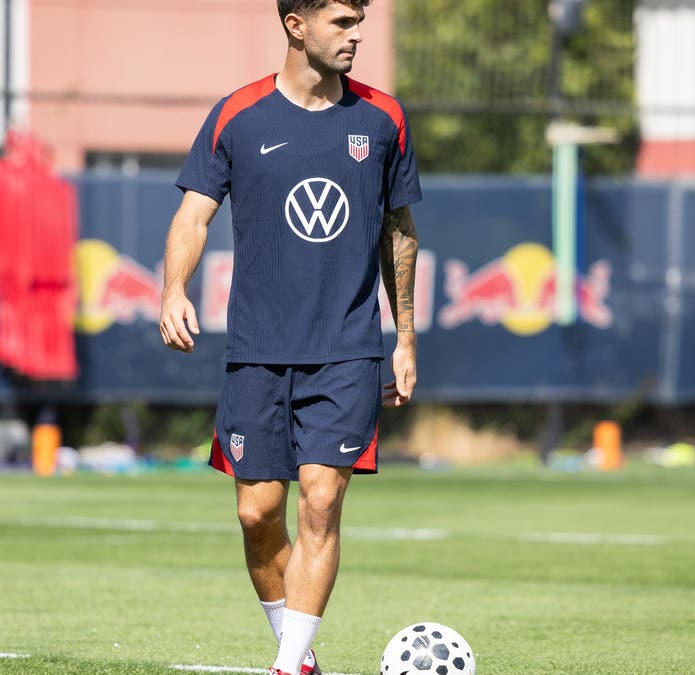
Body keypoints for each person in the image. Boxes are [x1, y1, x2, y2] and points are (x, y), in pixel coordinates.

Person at [160, 1, 421, 672]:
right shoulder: (237, 115)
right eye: (341, 22)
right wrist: (173, 289)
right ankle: (299, 656)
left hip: (347, 350)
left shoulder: (383, 119)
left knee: (322, 502)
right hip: (257, 351)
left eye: (359, 21)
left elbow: (400, 232)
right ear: (295, 25)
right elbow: (192, 217)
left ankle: (286, 666)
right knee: (257, 514)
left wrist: (405, 338)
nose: (356, 35)